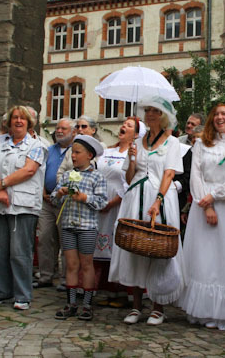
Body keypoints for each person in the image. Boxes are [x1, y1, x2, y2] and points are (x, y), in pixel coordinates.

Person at [108, 95, 184, 326]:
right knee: (135, 247)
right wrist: (131, 160)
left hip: (160, 197)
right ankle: (136, 305)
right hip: (136, 197)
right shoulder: (138, 143)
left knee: (158, 248)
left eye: (156, 111)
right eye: (148, 110)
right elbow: (130, 178)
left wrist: (158, 201)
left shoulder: (172, 143)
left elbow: (169, 173)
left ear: (163, 116)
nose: (150, 114)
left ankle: (158, 307)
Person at [178, 101, 225, 331]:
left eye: (224, 114)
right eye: (216, 114)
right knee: (205, 258)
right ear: (211, 118)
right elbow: (195, 176)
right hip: (203, 207)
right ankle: (204, 309)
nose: (220, 118)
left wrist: (216, 196)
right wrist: (206, 203)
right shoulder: (201, 144)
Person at [0, 106, 47, 310]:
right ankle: (2, 290)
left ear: (29, 123)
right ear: (9, 122)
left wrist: (2, 185)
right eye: (15, 118)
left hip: (22, 205)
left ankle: (22, 295)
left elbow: (29, 170)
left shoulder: (37, 145)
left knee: (20, 252)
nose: (18, 121)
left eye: (22, 118)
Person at [52, 135, 107, 320]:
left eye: (77, 152)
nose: (73, 156)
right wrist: (60, 193)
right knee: (71, 264)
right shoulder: (68, 175)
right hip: (68, 225)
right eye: (72, 152)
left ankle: (87, 303)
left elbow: (101, 202)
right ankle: (71, 302)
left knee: (86, 264)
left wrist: (85, 198)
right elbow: (53, 197)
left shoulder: (97, 176)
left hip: (87, 227)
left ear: (89, 155)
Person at [95, 117, 144, 307]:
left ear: (137, 134)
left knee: (118, 245)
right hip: (100, 203)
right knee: (101, 246)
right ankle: (106, 289)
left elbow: (130, 181)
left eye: (129, 125)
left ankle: (123, 291)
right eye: (123, 124)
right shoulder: (107, 151)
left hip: (120, 205)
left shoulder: (135, 154)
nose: (123, 126)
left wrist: (114, 201)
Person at [35, 118, 75, 289]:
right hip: (47, 200)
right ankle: (46, 275)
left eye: (63, 128)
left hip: (66, 201)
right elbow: (41, 171)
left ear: (73, 132)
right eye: (57, 128)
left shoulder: (76, 150)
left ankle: (66, 279)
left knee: (65, 240)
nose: (59, 131)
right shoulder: (49, 150)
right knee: (44, 237)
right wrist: (44, 190)